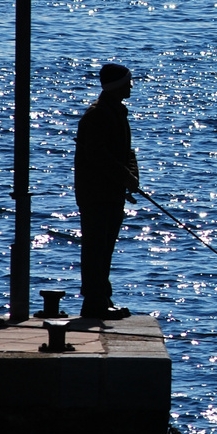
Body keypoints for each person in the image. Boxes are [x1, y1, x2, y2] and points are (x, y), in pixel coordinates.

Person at [74, 62, 140, 319]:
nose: (131, 86)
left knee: (105, 248)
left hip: (112, 194)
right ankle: (94, 302)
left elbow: (127, 153)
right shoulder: (97, 115)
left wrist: (131, 178)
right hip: (95, 195)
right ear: (117, 86)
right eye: (127, 82)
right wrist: (124, 177)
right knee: (96, 248)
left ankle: (102, 298)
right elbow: (100, 157)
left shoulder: (116, 112)